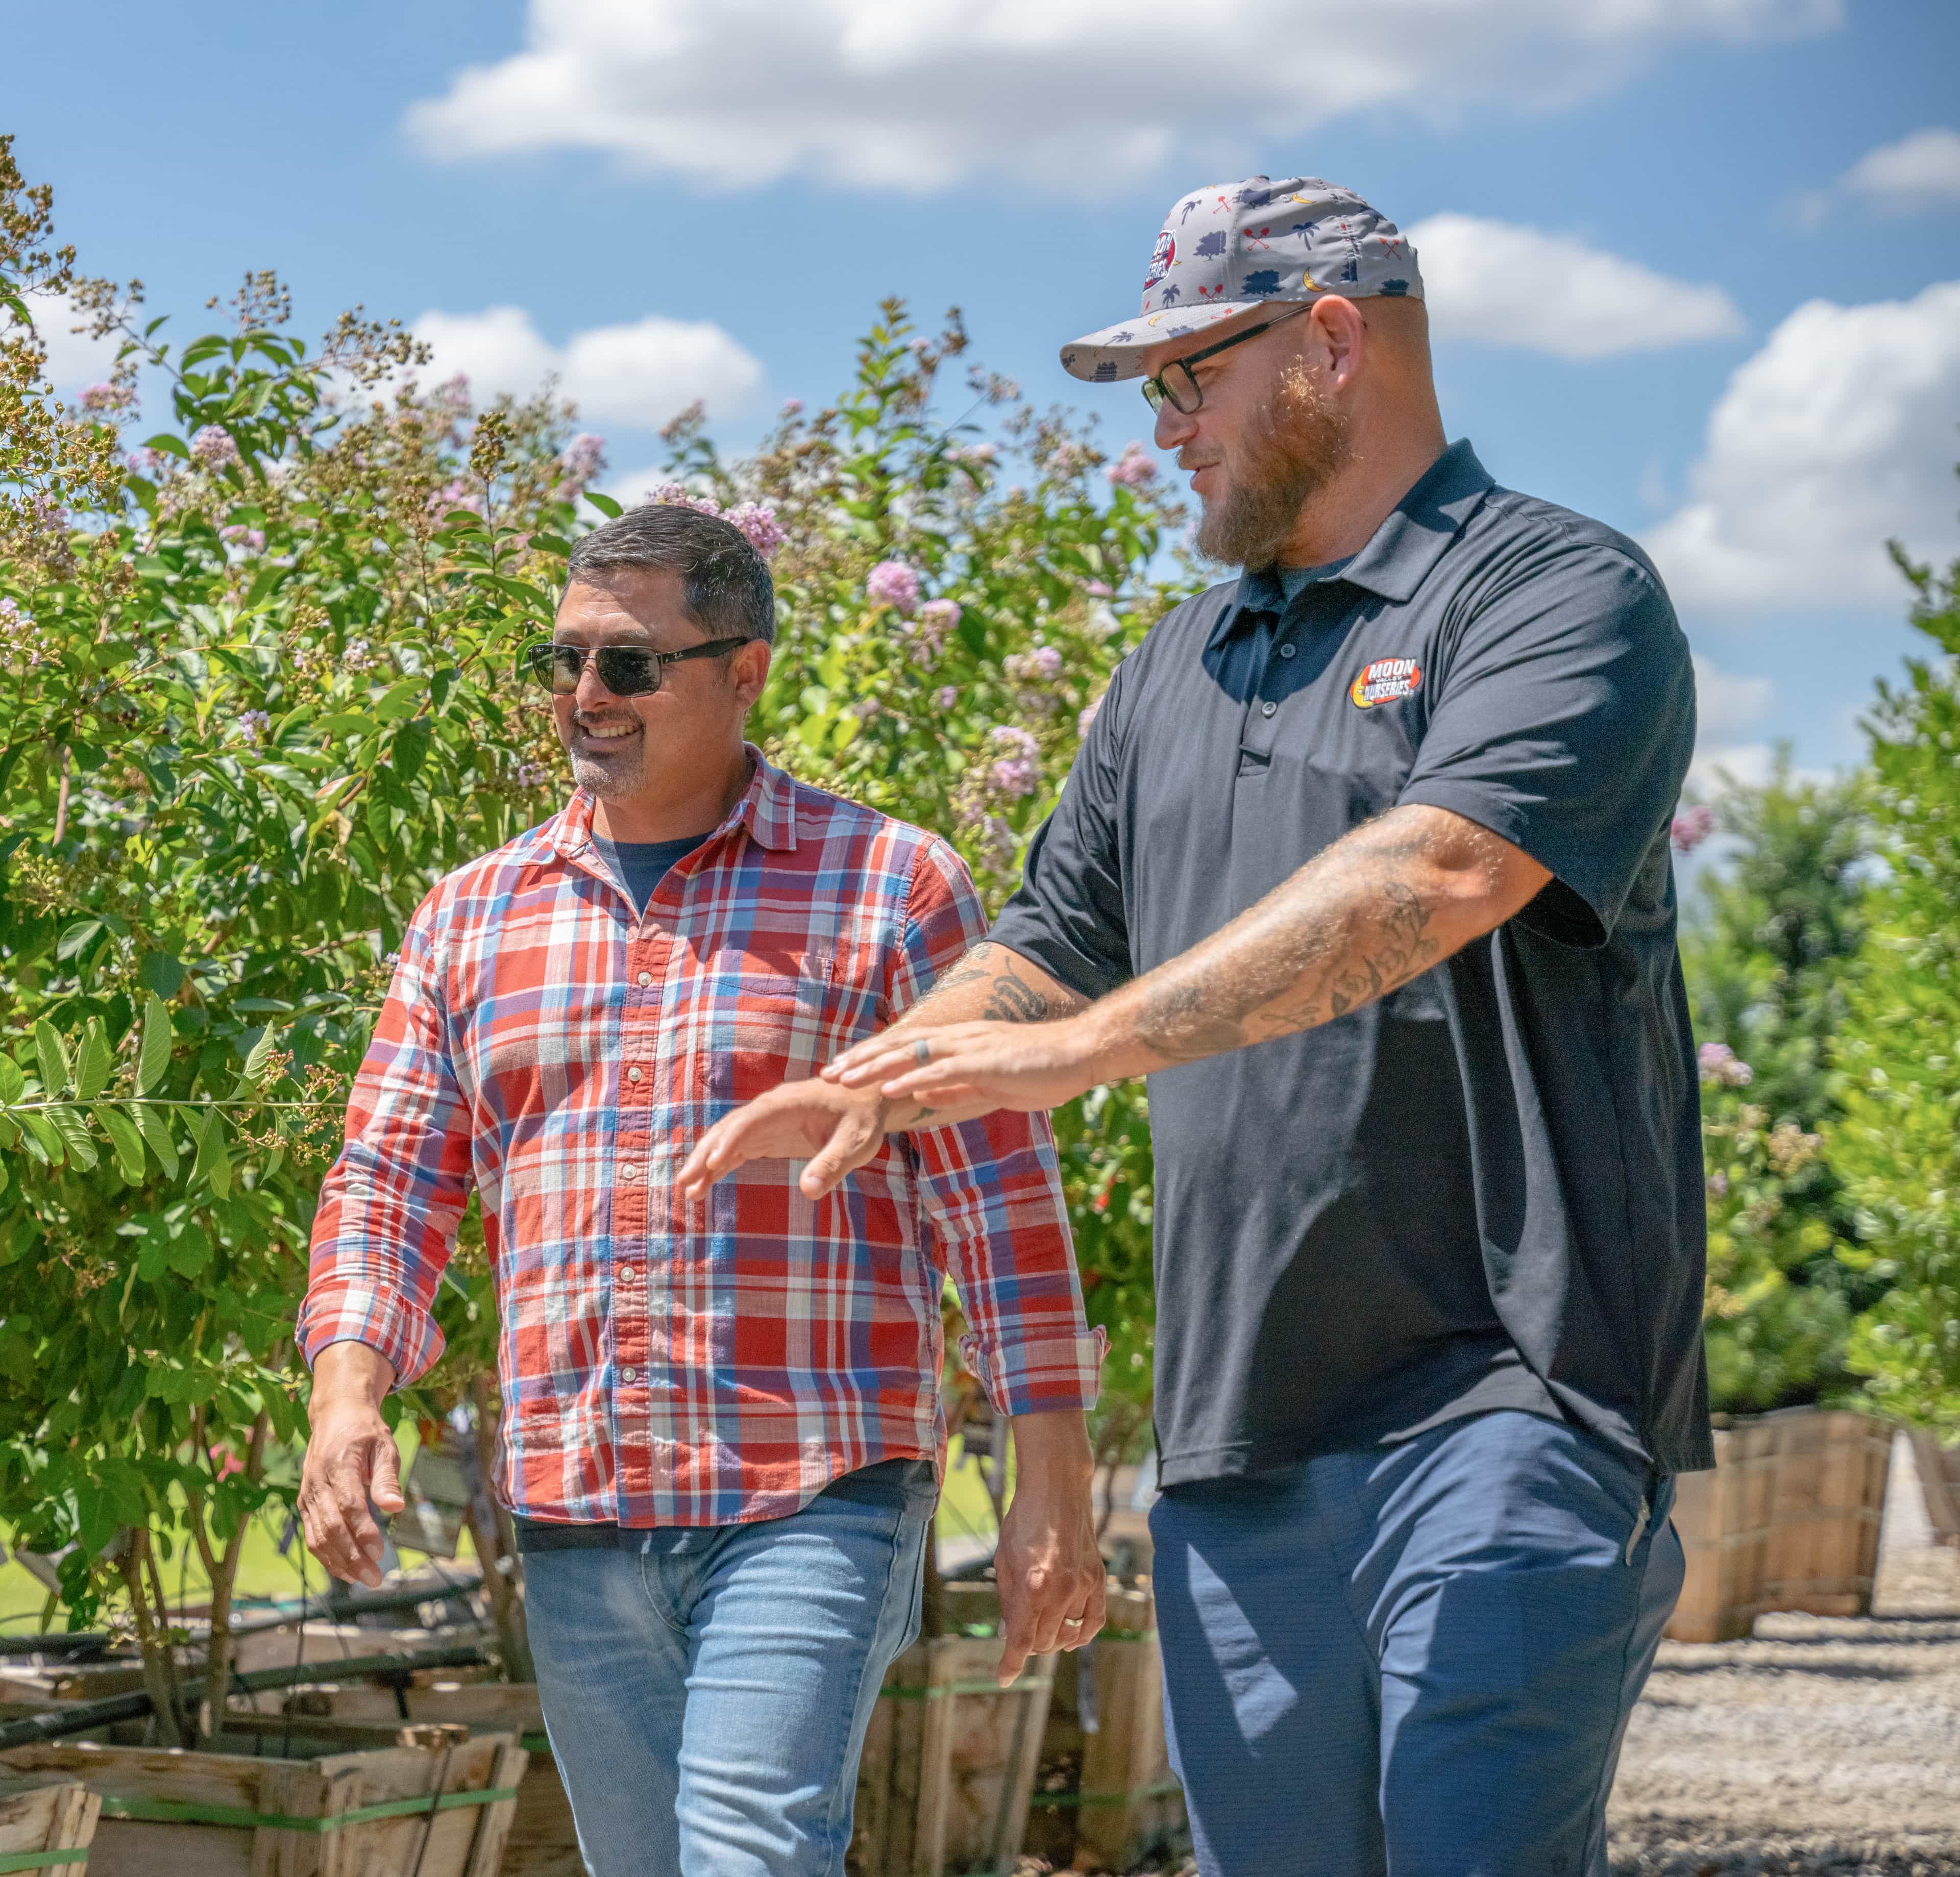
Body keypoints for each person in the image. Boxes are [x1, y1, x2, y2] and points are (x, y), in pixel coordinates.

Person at [678, 177, 1709, 1877]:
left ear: (1328, 343)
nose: (1161, 432)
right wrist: (874, 1082)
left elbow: (1443, 871)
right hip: (1237, 1445)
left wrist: (1083, 1053)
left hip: (1511, 1406)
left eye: (1187, 382)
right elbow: (1055, 941)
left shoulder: (1552, 590)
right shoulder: (1177, 664)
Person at [296, 505, 1108, 1877]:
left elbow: (1002, 1196)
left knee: (748, 1852)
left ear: (746, 674)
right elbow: (388, 1179)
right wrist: (348, 1393)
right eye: (565, 664)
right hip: (574, 1505)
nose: (585, 698)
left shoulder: (890, 887)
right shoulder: (472, 915)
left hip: (816, 1489)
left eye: (629, 666)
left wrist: (1055, 1482)